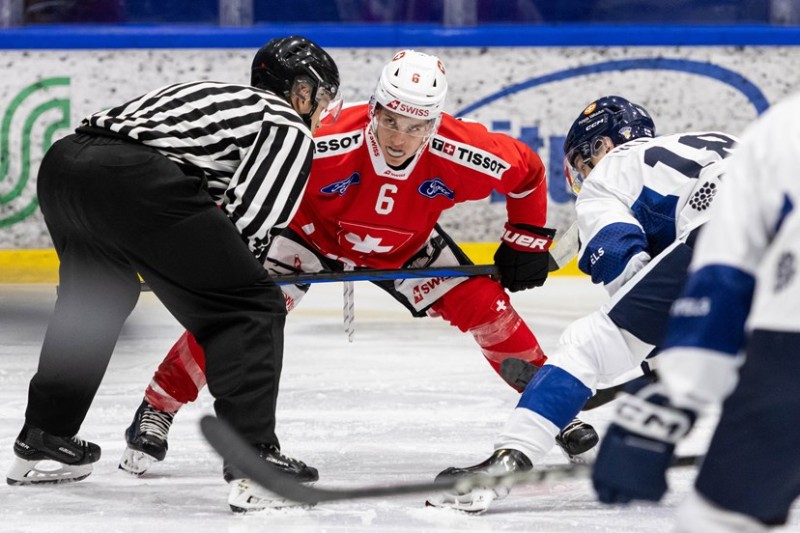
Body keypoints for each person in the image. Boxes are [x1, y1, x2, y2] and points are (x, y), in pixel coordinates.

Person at [116, 49, 600, 483]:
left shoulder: (464, 150)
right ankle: (157, 408)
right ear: (373, 108)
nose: (400, 138)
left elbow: (529, 174)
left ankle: (552, 409)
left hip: (406, 246)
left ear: (434, 122)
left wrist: (524, 242)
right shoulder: (321, 141)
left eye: (416, 127)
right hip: (307, 235)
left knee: (487, 309)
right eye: (390, 120)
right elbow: (244, 182)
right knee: (240, 313)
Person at [5, 35, 342, 513]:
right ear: (302, 92)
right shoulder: (286, 122)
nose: (321, 110)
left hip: (66, 165)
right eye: (321, 97)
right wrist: (223, 289)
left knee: (97, 301)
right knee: (250, 305)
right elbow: (248, 225)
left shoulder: (218, 97)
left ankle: (44, 435)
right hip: (135, 178)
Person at [426, 95, 738, 513]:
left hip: (727, 235)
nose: (582, 176)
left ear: (602, 147)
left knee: (589, 343)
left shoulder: (609, 175)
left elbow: (621, 265)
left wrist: (662, 347)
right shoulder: (707, 143)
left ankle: (508, 461)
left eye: (581, 162)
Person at [591, 94, 800, 531]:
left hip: (788, 353)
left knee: (719, 519)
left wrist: (672, 400)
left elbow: (724, 277)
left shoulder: (782, 130)